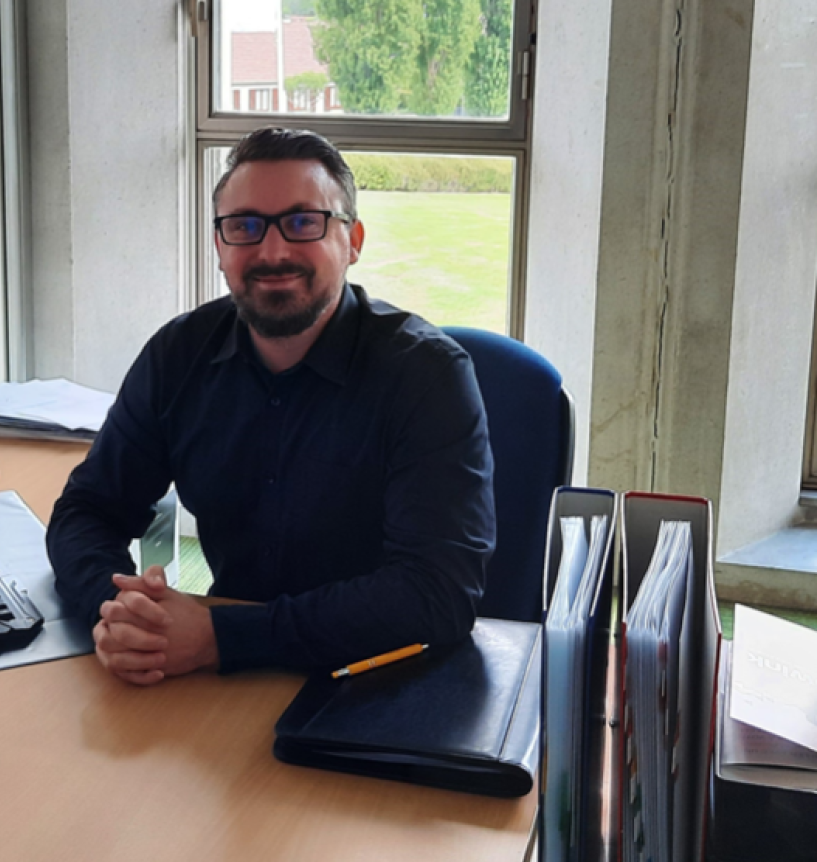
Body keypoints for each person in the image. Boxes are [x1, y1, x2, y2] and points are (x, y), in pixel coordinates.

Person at [45, 127, 496, 686]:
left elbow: (437, 592)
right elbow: (88, 511)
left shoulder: (427, 376)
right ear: (219, 246)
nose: (273, 250)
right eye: (245, 226)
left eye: (304, 222)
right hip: (226, 685)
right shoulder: (179, 355)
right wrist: (117, 612)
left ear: (352, 241)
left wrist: (221, 639)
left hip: (382, 685)